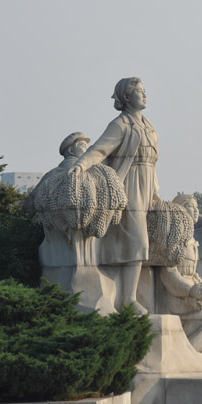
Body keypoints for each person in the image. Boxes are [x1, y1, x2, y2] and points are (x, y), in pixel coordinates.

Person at [69, 77, 161, 315]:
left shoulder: (149, 127)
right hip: (128, 187)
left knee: (145, 244)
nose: (144, 94)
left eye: (144, 90)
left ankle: (131, 295)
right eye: (139, 91)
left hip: (147, 187)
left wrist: (156, 192)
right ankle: (128, 299)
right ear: (127, 97)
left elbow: (152, 163)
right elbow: (99, 149)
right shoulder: (120, 125)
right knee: (138, 242)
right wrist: (81, 165)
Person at [155, 194, 202, 351]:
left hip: (192, 288)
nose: (196, 211)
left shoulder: (191, 238)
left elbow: (193, 273)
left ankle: (194, 347)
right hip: (177, 295)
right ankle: (190, 348)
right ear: (181, 208)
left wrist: (200, 285)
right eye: (191, 206)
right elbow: (169, 274)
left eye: (197, 207)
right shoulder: (173, 236)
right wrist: (190, 290)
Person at [23, 132, 90, 216]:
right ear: (71, 150)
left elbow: (28, 206)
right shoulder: (87, 171)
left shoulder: (50, 174)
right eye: (83, 146)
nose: (88, 150)